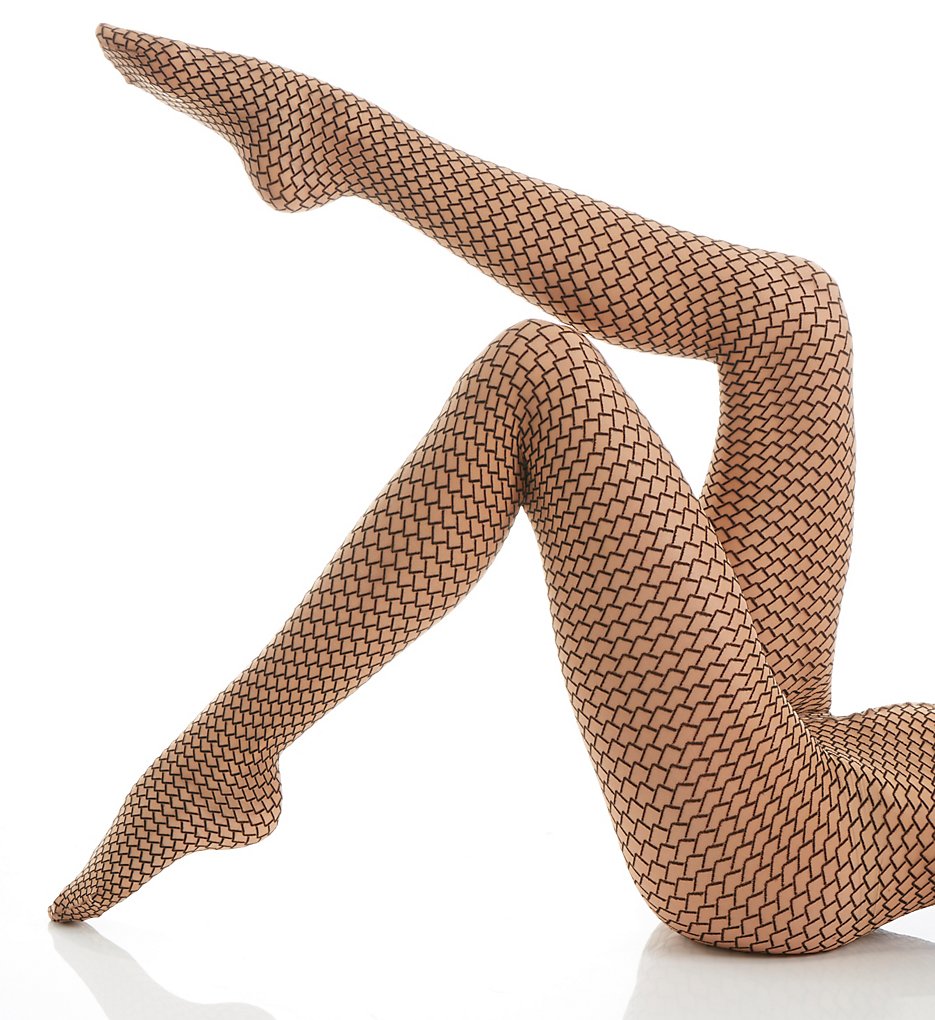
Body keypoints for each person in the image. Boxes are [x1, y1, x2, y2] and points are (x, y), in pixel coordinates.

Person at [48, 23, 935, 955]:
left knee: (543, 378)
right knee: (790, 314)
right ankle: (339, 145)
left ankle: (228, 754)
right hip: (802, 738)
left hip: (773, 849)